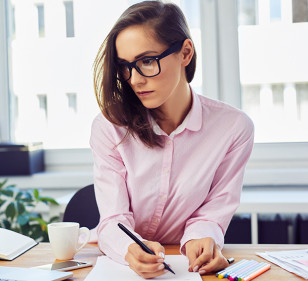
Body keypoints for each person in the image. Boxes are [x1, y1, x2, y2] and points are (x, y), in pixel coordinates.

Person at [90, 1, 254, 279]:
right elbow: (113, 221)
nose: (135, 80)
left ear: (185, 53)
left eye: (146, 61)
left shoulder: (233, 128)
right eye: (125, 66)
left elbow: (213, 211)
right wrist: (130, 248)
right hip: (120, 268)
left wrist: (201, 240)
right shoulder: (110, 127)